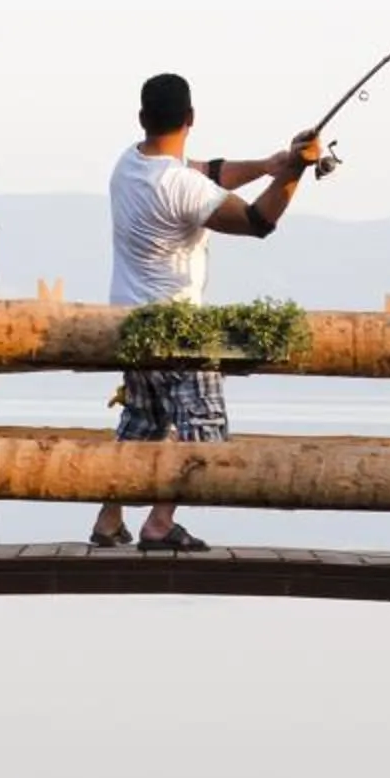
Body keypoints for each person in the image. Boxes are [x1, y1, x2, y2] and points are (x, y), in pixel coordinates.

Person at [92, 71, 319, 554]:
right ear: (191, 118)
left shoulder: (128, 165)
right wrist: (295, 173)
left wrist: (270, 163)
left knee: (143, 422)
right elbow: (258, 222)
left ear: (141, 119)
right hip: (177, 330)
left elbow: (204, 173)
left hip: (130, 323)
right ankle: (159, 523)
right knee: (206, 431)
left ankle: (109, 520)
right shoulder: (181, 186)